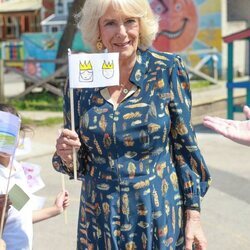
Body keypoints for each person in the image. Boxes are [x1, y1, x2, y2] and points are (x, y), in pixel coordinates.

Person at [53, 0, 211, 249]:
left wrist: (194, 217)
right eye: (110, 23)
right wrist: (67, 154)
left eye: (129, 21)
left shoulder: (166, 70)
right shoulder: (81, 78)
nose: (122, 33)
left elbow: (185, 149)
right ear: (98, 30)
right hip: (99, 219)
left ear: (141, 25)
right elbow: (78, 163)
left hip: (158, 214)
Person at [0, 103, 70, 250]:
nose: (5, 139)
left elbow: (22, 216)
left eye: (11, 133)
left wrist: (55, 209)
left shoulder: (16, 169)